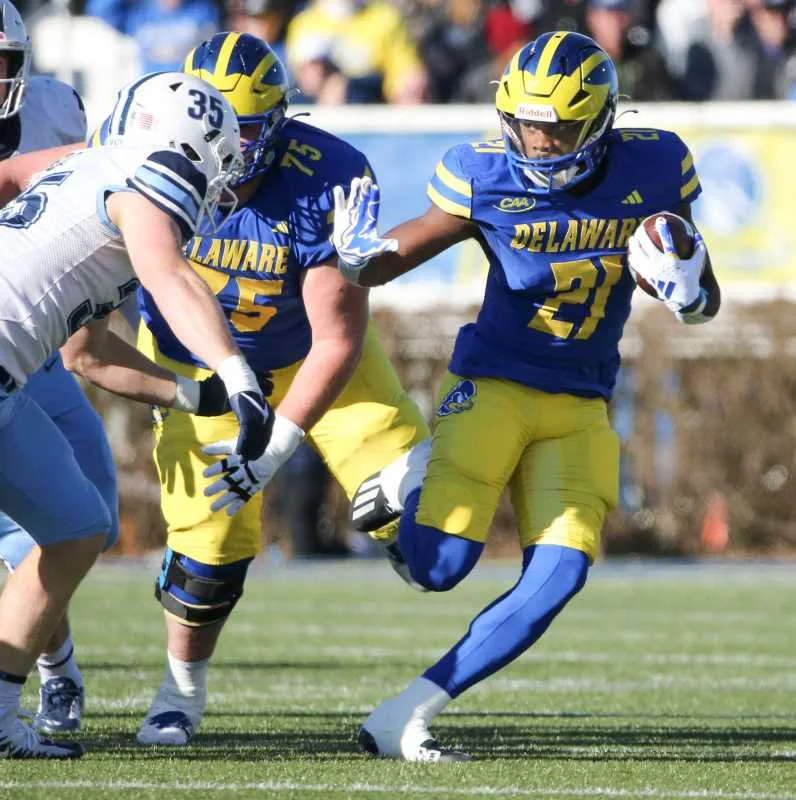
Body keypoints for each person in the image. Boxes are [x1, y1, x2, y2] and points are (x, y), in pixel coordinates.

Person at [325, 31, 722, 761]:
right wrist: (358, 260)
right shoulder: (483, 174)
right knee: (439, 569)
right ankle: (405, 483)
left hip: (581, 402)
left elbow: (698, 302)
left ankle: (405, 715)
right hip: (495, 385)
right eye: (527, 123)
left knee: (562, 573)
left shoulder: (657, 165)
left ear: (601, 120)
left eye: (558, 127)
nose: (538, 143)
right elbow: (402, 250)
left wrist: (691, 289)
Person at [119, 32, 429, 746]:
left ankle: (412, 529)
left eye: (247, 127)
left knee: (425, 530)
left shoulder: (328, 175)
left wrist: (278, 443)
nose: (227, 144)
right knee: (207, 554)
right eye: (214, 125)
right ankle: (180, 695)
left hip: (311, 355)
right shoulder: (141, 155)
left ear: (280, 123)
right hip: (197, 363)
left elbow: (338, 339)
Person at [0, 69, 272, 758]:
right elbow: (169, 275)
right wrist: (236, 374)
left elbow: (89, 355)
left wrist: (198, 394)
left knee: (77, 526)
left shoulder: (90, 167)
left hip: (6, 383)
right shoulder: (150, 178)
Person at [0, 0, 111, 737]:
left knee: (87, 510)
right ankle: (45, 673)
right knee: (20, 533)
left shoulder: (55, 107)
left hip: (33, 343)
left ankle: (52, 663)